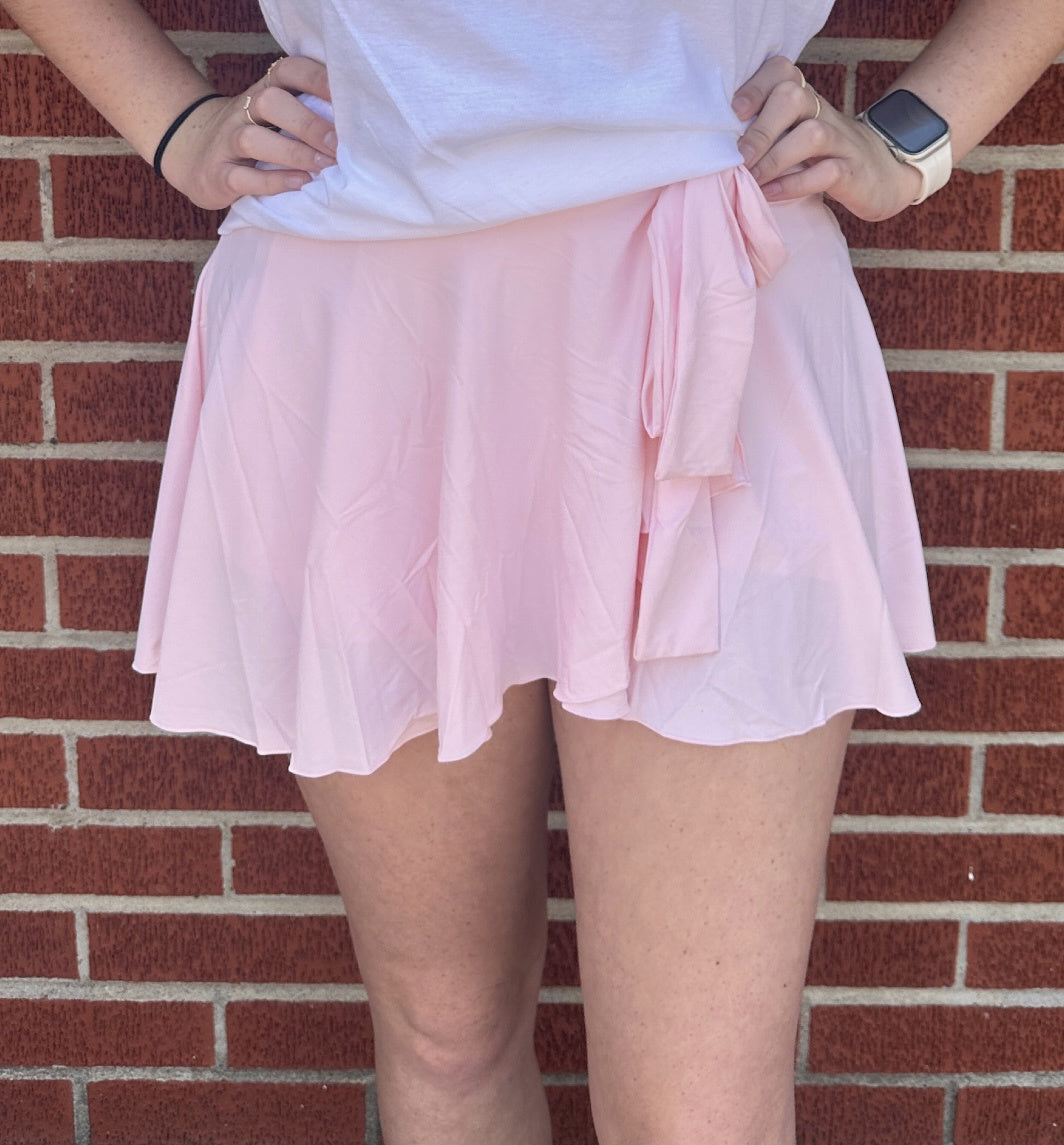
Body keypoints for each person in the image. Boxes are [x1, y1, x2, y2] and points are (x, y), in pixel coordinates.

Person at [7, 1, 1062, 1142]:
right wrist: (176, 127)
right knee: (445, 1034)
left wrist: (910, 141)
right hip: (369, 337)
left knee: (697, 1112)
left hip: (713, 318)